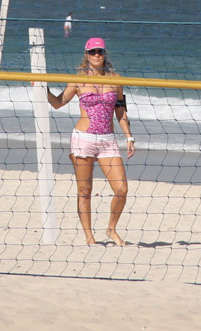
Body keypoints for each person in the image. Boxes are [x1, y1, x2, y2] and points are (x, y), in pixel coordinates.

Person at [44, 37, 134, 246]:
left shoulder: (116, 79)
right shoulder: (78, 80)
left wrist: (129, 137)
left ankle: (111, 229)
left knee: (121, 189)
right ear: (86, 55)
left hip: (108, 140)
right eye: (92, 52)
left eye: (100, 51)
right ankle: (89, 237)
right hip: (83, 139)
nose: (96, 55)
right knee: (85, 191)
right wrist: (43, 89)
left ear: (104, 54)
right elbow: (58, 103)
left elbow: (121, 111)